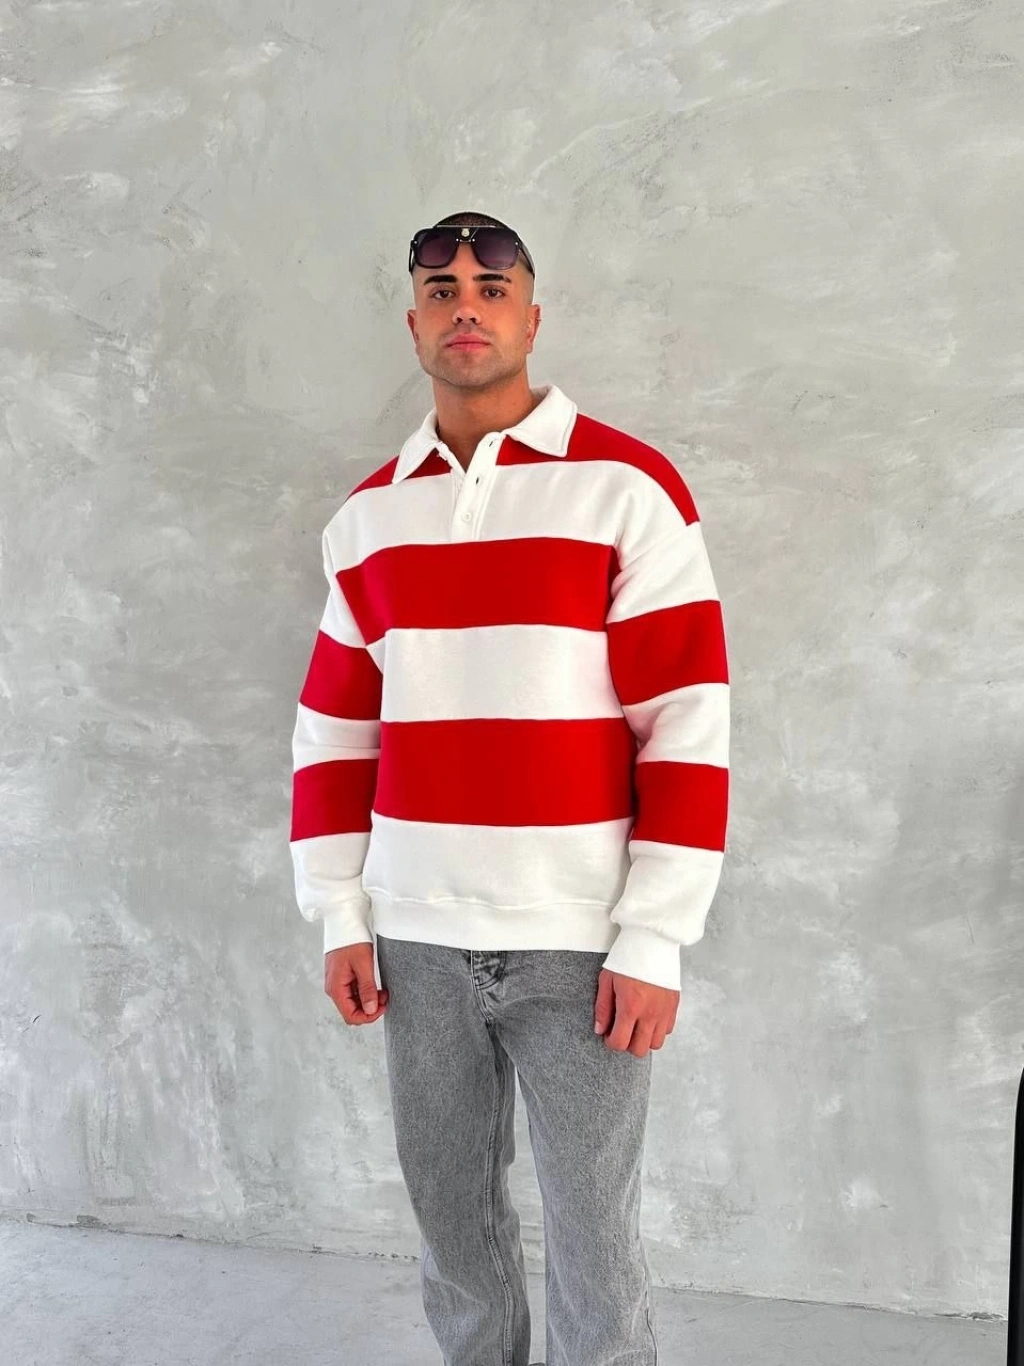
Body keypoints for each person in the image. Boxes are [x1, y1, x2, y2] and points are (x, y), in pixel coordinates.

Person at [289, 209, 730, 1366]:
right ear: (414, 324)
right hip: (415, 939)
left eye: (492, 288)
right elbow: (333, 734)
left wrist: (655, 935)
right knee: (452, 1229)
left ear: (533, 318)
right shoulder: (367, 518)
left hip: (578, 941)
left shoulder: (627, 488)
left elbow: (685, 721)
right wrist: (342, 914)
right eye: (441, 290)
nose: (466, 307)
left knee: (595, 1242)